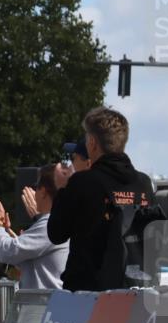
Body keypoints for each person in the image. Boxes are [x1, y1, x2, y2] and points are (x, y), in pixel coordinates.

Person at [48, 107, 149, 292]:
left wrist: (62, 189)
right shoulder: (143, 183)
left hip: (88, 294)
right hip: (133, 290)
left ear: (93, 142)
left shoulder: (83, 182)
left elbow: (56, 234)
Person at [0, 163, 70, 289]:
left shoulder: (50, 224)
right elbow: (22, 258)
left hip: (44, 307)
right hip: (47, 305)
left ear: (43, 191)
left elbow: (8, 252)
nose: (33, 191)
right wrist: (5, 231)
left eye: (36, 187)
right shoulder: (59, 221)